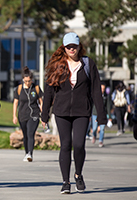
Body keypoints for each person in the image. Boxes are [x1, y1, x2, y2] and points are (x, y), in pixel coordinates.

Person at [41, 32, 107, 194]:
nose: (72, 49)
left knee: (78, 145)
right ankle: (65, 182)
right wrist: (44, 114)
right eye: (68, 46)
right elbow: (49, 91)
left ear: (79, 47)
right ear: (64, 47)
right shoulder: (57, 65)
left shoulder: (87, 64)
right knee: (65, 145)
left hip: (82, 111)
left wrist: (101, 114)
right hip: (61, 112)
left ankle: (78, 174)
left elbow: (96, 91)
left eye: (74, 46)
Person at [13, 66, 43, 162]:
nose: (27, 83)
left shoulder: (36, 88)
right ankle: (26, 153)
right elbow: (15, 103)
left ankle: (30, 153)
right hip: (22, 114)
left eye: (29, 81)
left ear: (32, 80)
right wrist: (14, 116)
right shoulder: (19, 89)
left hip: (34, 114)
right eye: (25, 81)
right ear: (23, 80)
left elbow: (41, 101)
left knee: (31, 133)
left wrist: (43, 113)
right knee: (25, 135)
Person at [91, 82, 111, 147]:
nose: (102, 90)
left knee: (102, 129)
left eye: (103, 89)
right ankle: (94, 135)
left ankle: (100, 141)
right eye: (101, 88)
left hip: (102, 114)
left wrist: (109, 116)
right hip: (95, 113)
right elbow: (92, 104)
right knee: (94, 128)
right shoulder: (95, 95)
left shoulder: (106, 96)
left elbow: (108, 106)